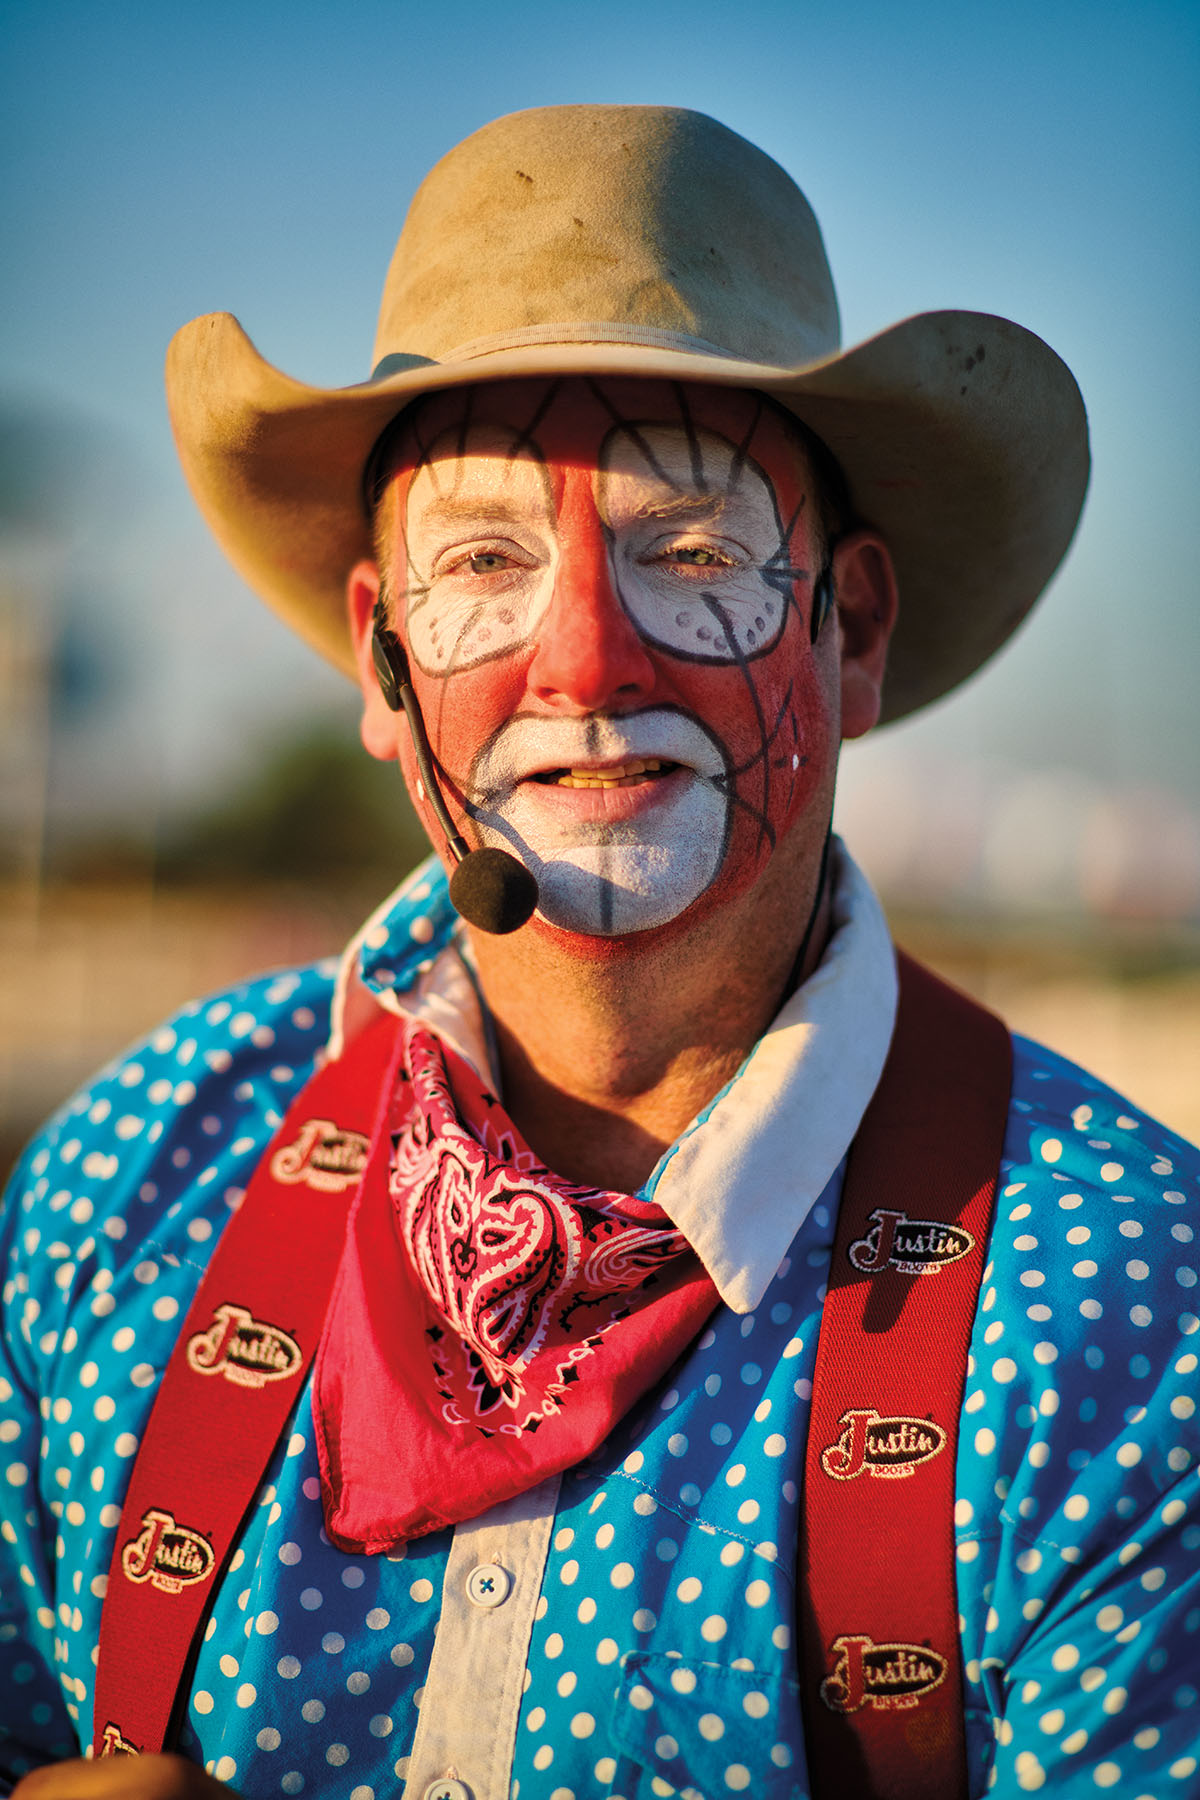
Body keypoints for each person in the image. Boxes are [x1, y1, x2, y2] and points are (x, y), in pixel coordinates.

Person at [2, 104, 1197, 1800]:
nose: (581, 662)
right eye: (484, 563)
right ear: (384, 658)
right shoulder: (122, 1195)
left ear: (846, 632)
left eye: (693, 552)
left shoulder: (1131, 1322)